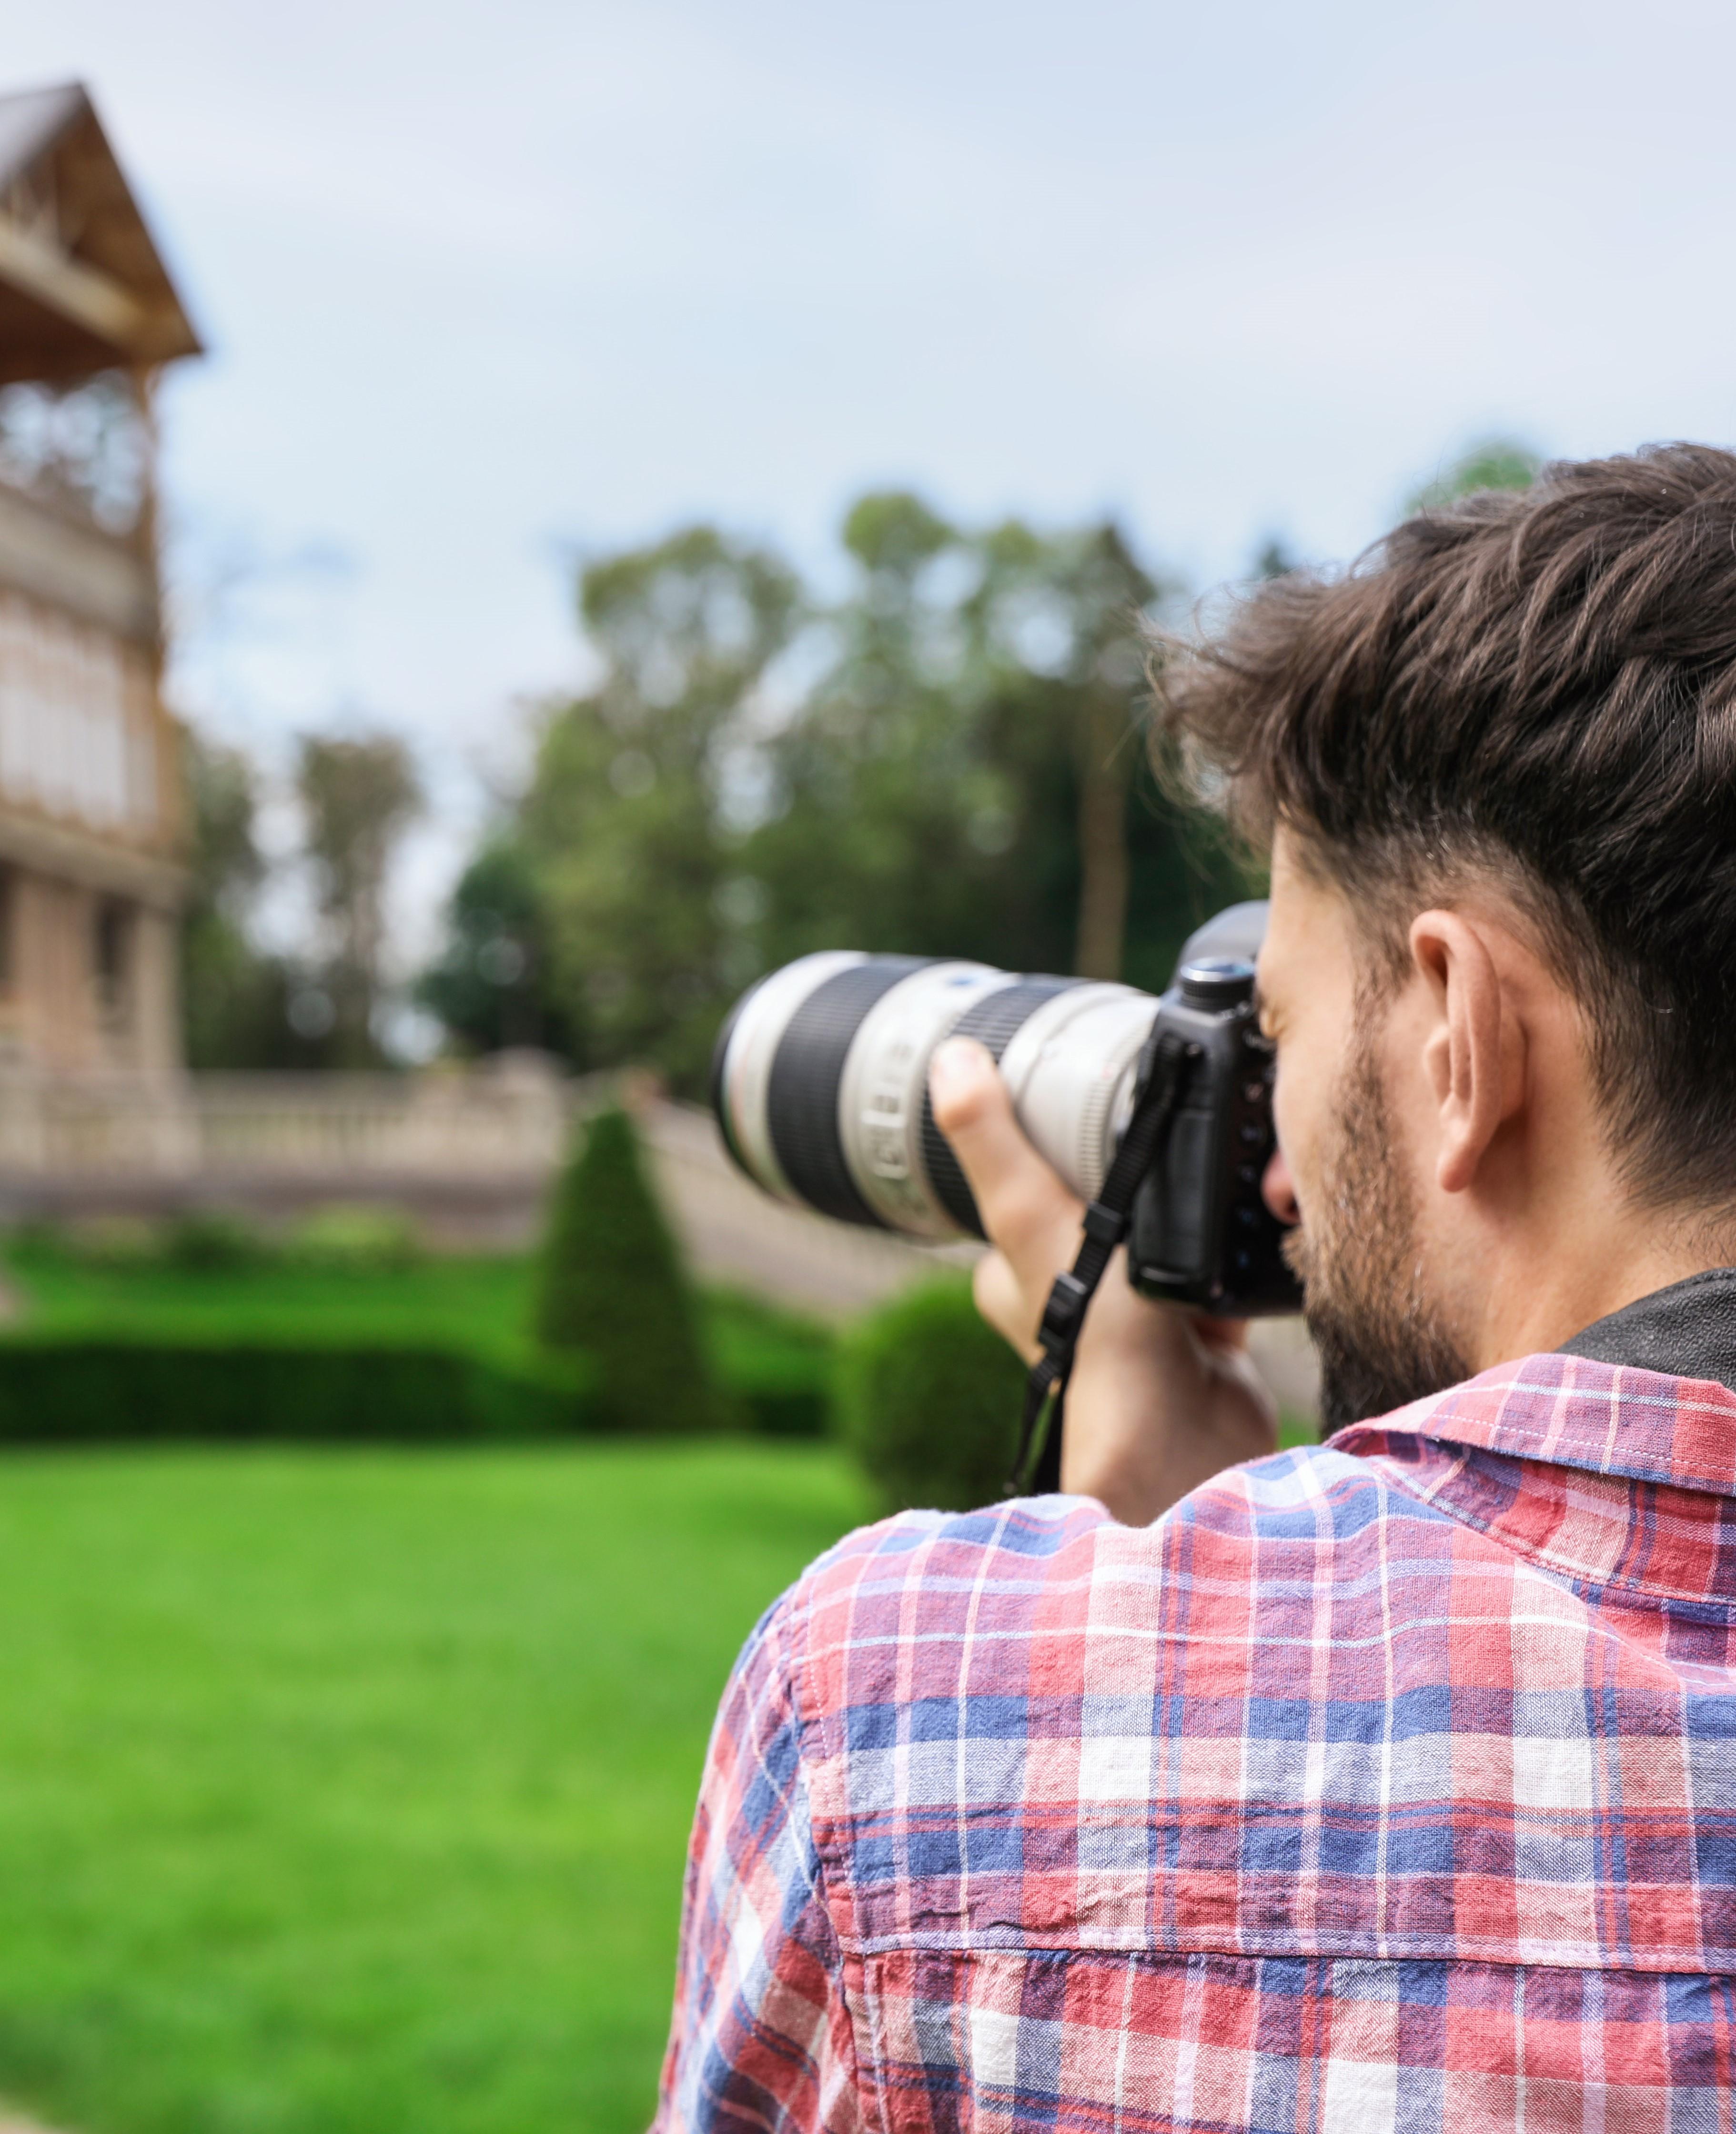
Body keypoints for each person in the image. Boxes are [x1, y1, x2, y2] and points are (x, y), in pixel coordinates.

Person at [654, 444, 1736, 2131]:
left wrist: (1150, 1613)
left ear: (1458, 1034)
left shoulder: (900, 1719)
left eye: (1281, 1032)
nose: (1276, 1177)